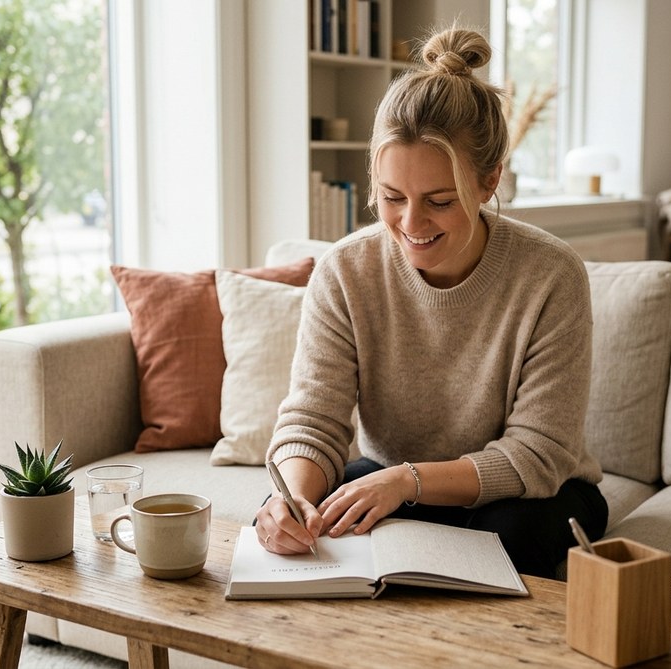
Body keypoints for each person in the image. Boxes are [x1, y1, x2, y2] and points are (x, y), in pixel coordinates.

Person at [255, 26, 608, 579]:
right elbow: (313, 418)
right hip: (390, 478)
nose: (411, 225)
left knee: (516, 534)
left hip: (526, 494)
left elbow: (539, 454)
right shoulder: (344, 271)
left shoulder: (551, 274)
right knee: (315, 513)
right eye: (392, 198)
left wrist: (406, 481)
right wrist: (291, 500)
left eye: (440, 201)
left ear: (490, 180)